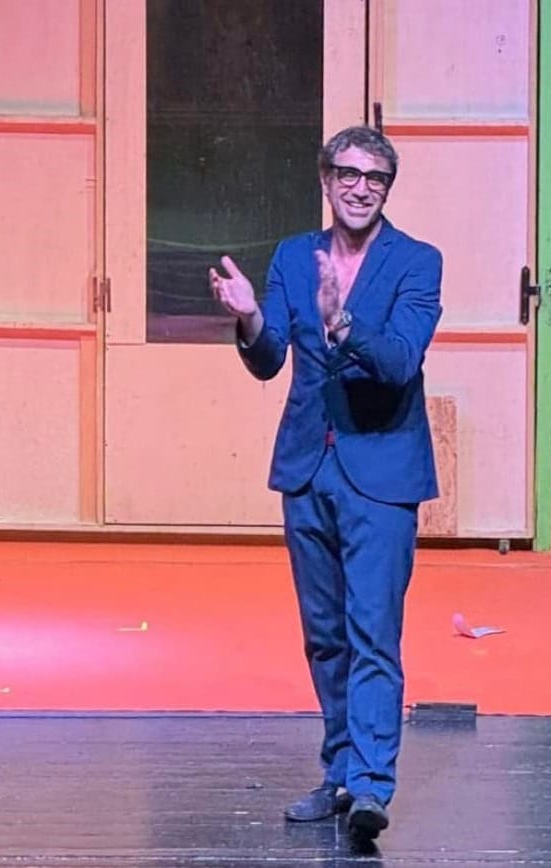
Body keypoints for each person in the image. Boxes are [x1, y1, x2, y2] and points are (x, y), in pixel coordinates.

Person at [209, 126, 442, 844]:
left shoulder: (417, 262)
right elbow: (269, 359)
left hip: (382, 472)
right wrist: (250, 315)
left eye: (375, 177)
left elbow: (399, 362)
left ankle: (370, 785)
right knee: (325, 637)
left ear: (387, 189)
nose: (360, 187)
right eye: (348, 173)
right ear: (326, 178)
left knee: (373, 634)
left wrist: (344, 322)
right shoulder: (292, 256)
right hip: (309, 466)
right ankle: (340, 772)